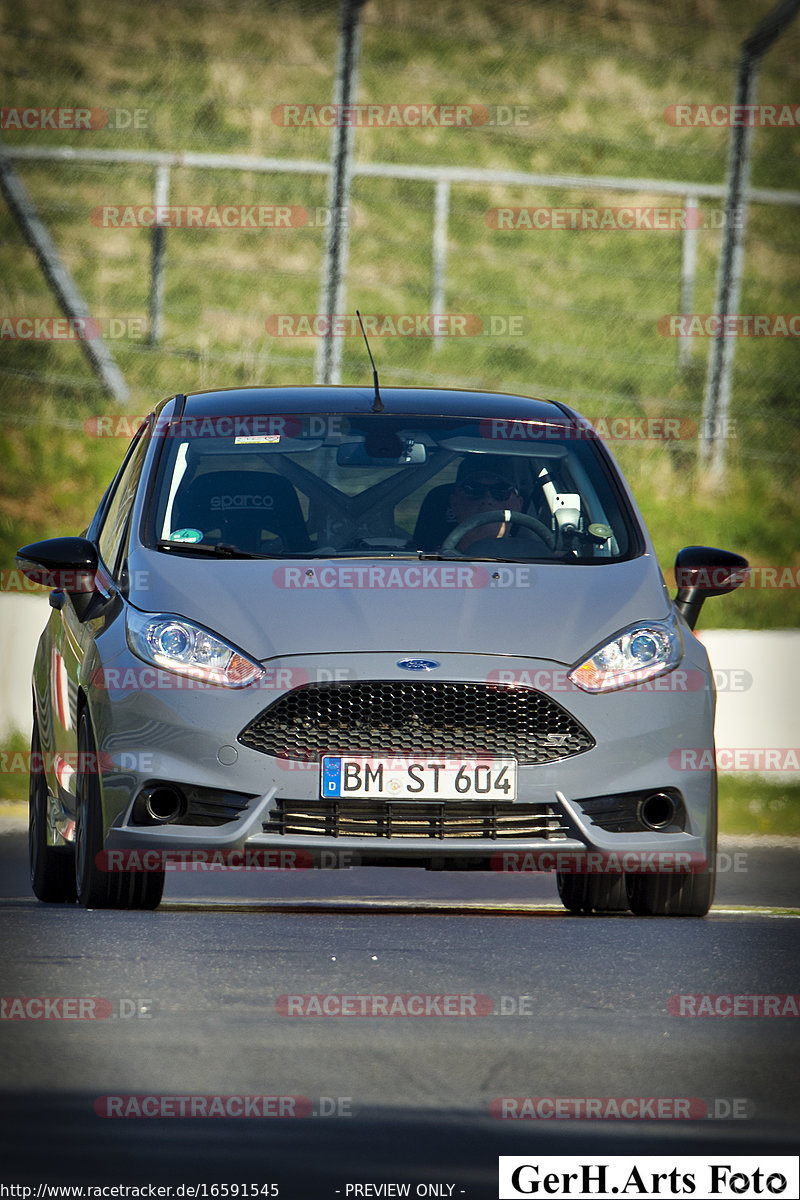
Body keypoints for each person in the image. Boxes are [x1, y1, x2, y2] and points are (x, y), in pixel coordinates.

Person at [447, 457, 523, 552]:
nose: (487, 499)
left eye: (501, 490)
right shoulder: (429, 561)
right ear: (454, 503)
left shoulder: (537, 561)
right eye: (474, 490)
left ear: (518, 504)